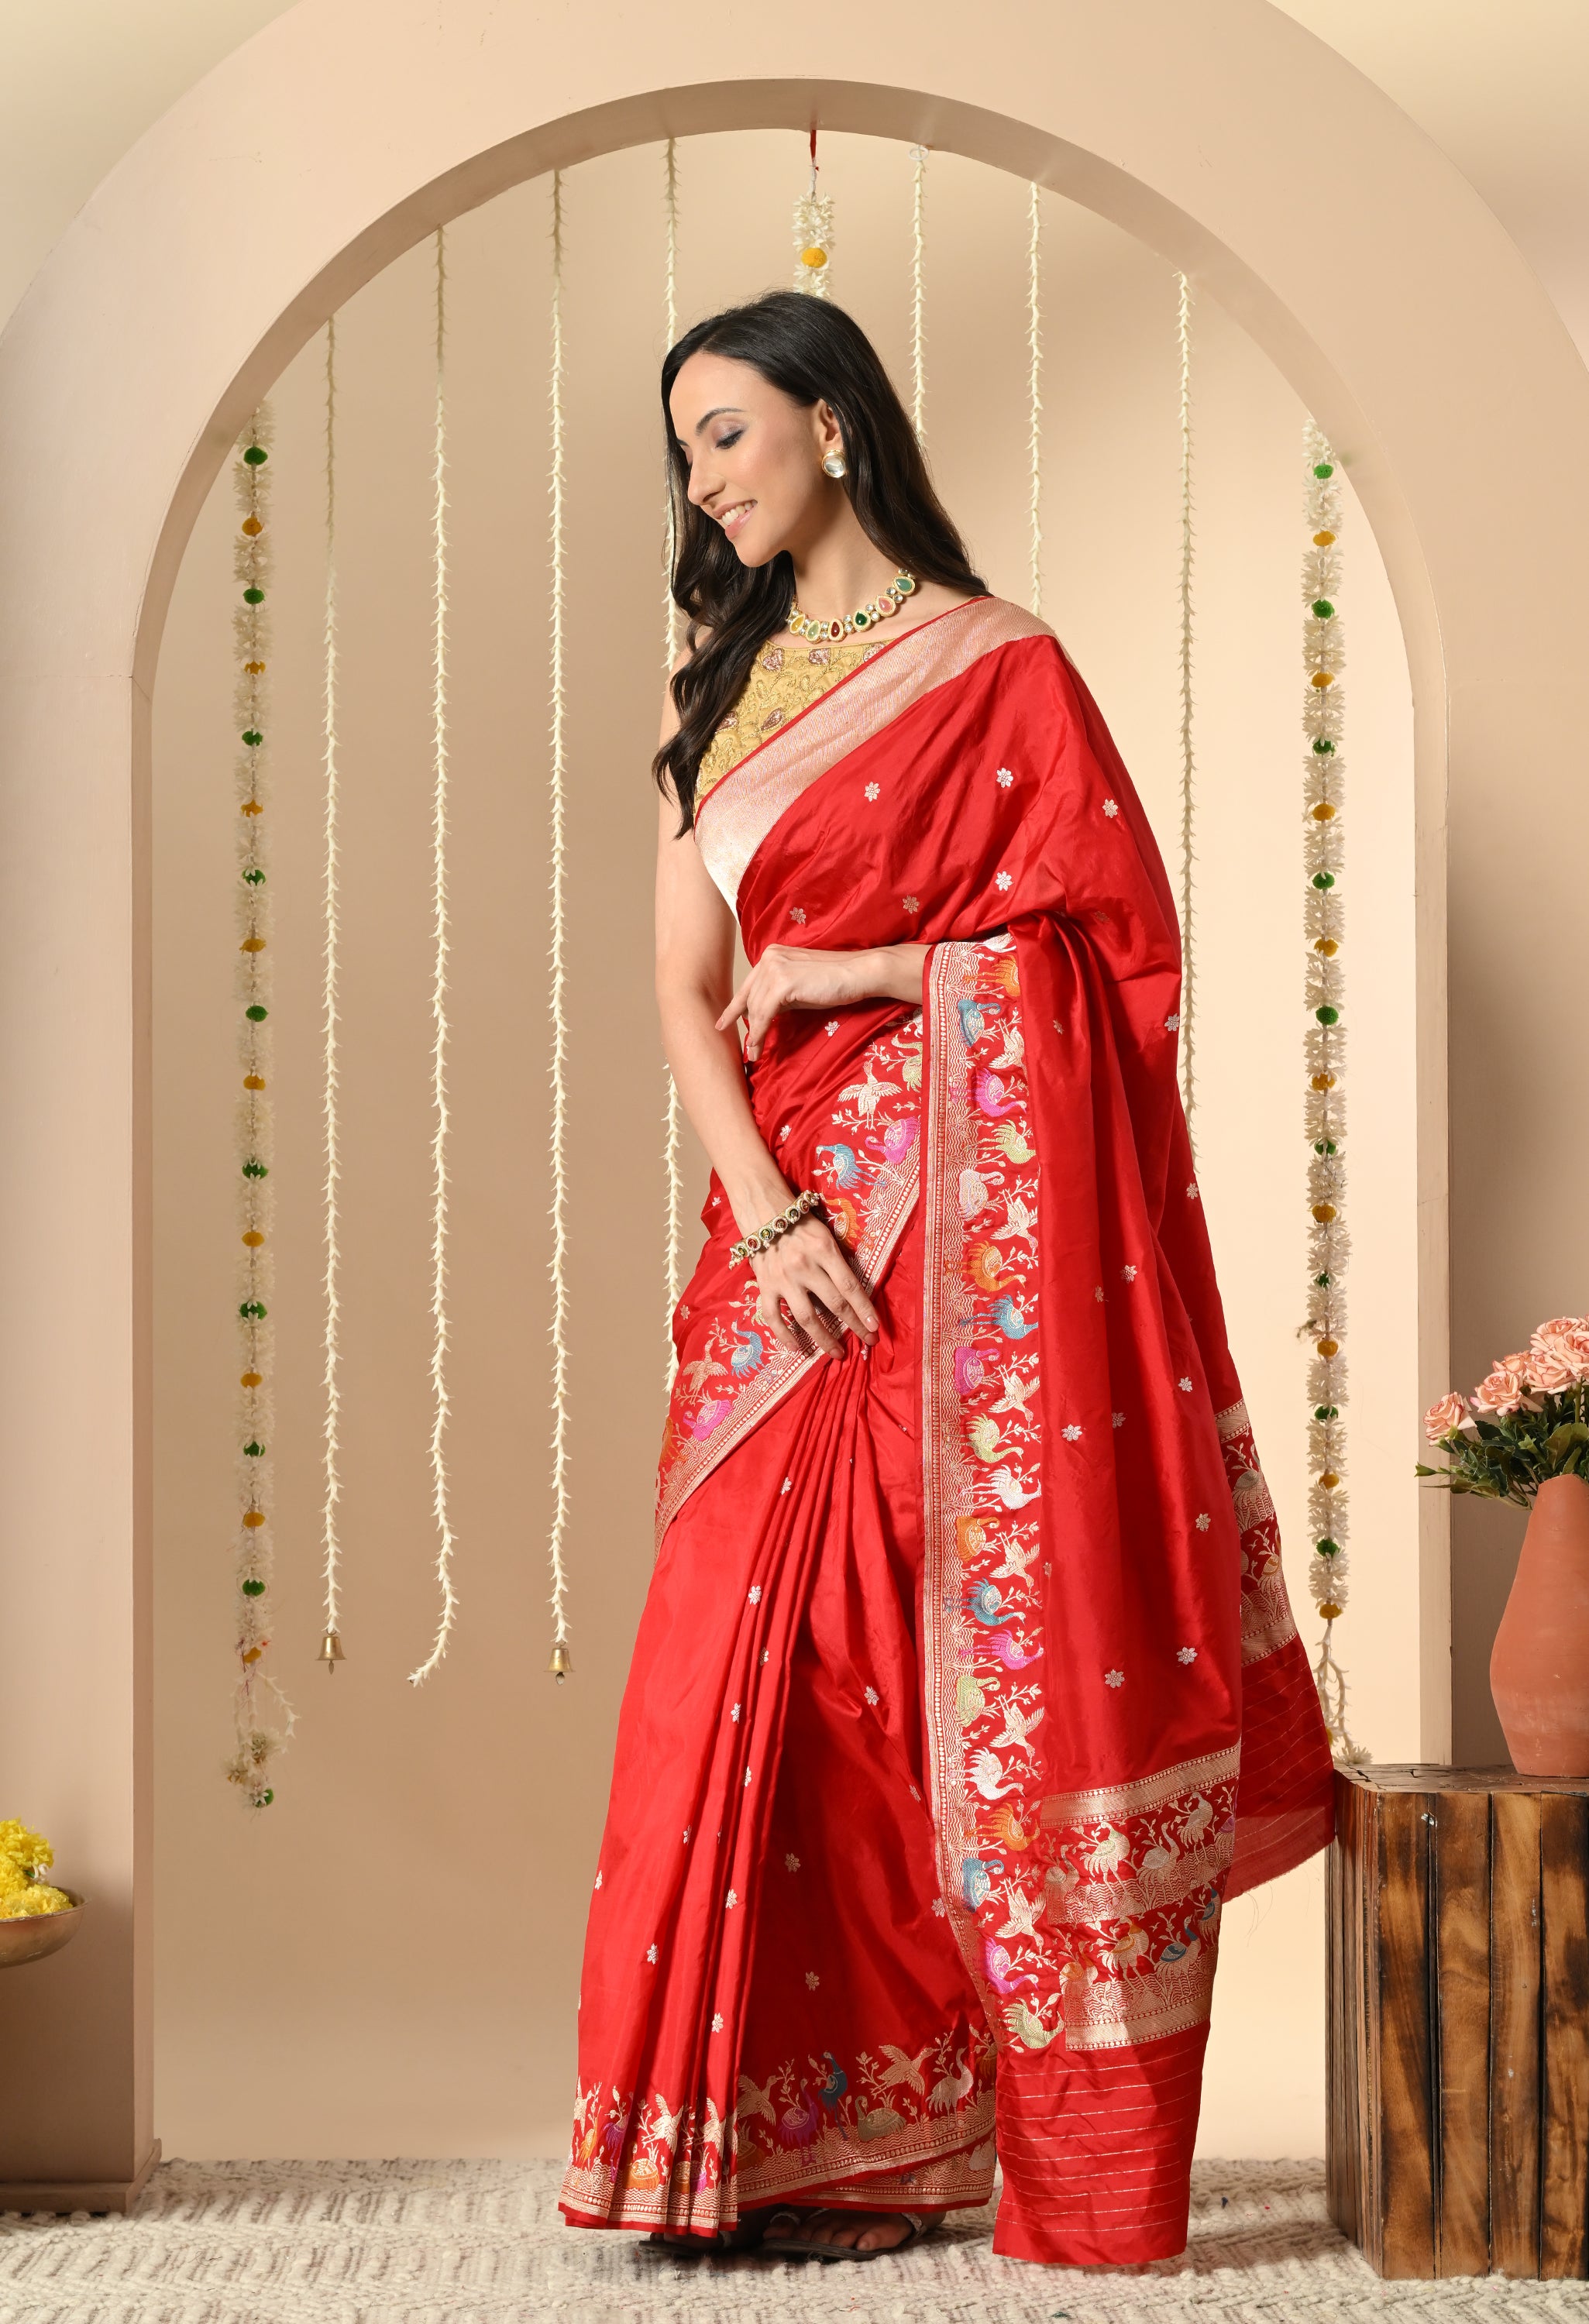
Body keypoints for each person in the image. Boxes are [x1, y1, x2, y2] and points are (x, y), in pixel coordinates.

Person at [559, 290, 1334, 2268]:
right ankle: (748, 2143)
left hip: (969, 1226)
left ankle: (910, 2153)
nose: (705, 478)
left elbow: (1105, 959)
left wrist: (865, 969)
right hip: (788, 1228)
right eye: (688, 449)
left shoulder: (1001, 670)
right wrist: (766, 1212)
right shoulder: (706, 692)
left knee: (917, 1676)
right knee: (739, 1655)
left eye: (726, 432)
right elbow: (676, 990)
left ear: (830, 421)